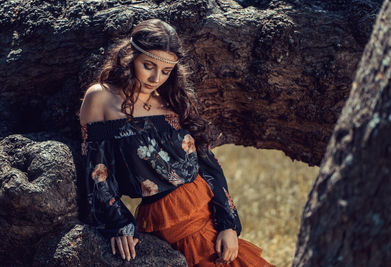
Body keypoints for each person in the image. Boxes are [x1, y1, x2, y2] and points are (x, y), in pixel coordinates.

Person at [79, 18, 274, 266]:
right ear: (130, 57)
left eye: (166, 71)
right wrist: (117, 222)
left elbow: (208, 164)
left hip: (206, 209)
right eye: (148, 66)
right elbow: (97, 170)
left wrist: (229, 225)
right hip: (164, 219)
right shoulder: (101, 97)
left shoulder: (173, 99)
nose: (156, 78)